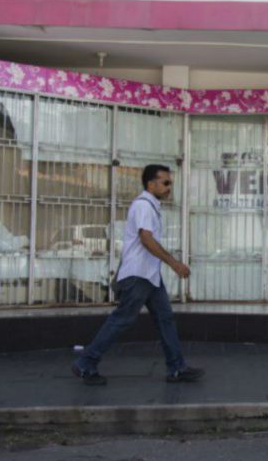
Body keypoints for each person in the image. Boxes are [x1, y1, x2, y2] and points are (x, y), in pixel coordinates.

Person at [71, 164, 204, 385]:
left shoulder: (151, 206)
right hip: (138, 276)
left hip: (150, 276)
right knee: (122, 320)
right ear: (151, 184)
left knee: (165, 319)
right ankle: (86, 363)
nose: (169, 187)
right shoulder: (143, 205)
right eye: (165, 182)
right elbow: (146, 238)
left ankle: (176, 368)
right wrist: (173, 263)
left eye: (170, 182)